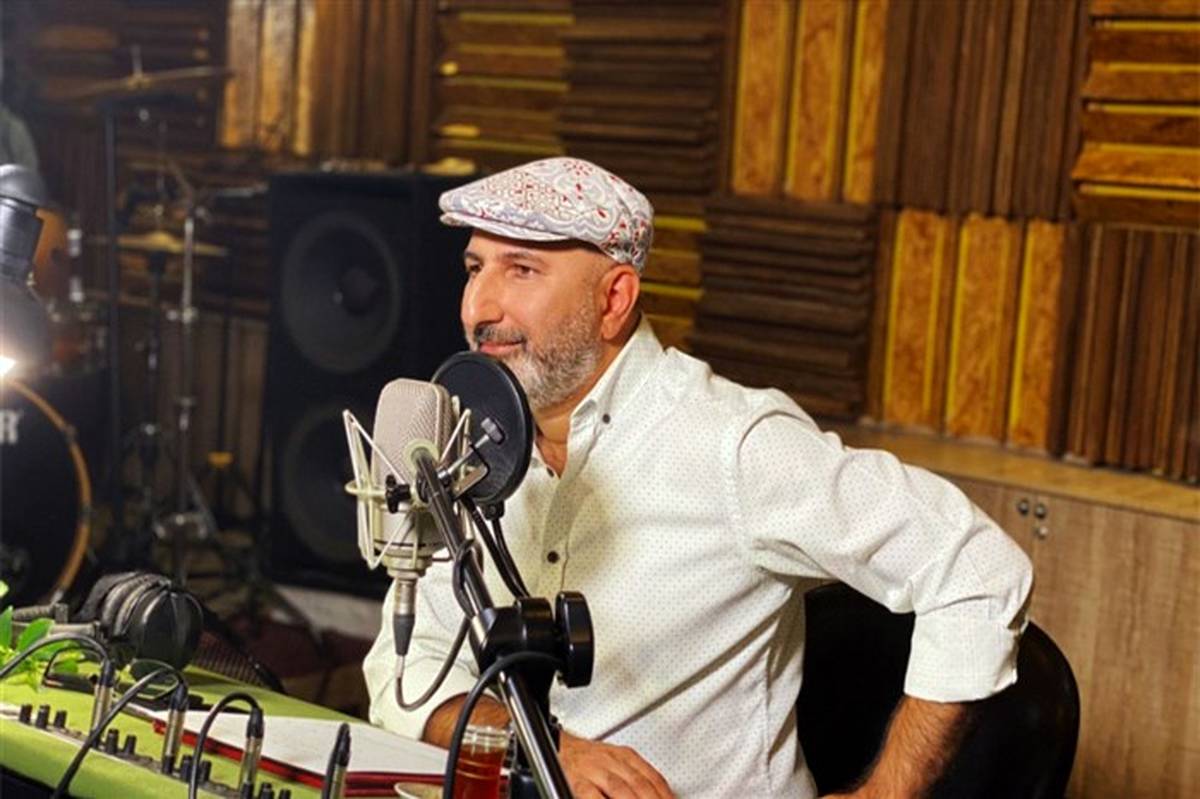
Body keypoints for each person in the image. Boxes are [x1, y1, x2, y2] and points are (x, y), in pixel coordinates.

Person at [363, 157, 1033, 798]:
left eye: (522, 270)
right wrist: (541, 747)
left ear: (614, 299)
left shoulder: (735, 445)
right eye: (475, 268)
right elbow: (405, 665)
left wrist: (885, 794)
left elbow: (978, 570)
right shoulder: (468, 444)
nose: (478, 308)